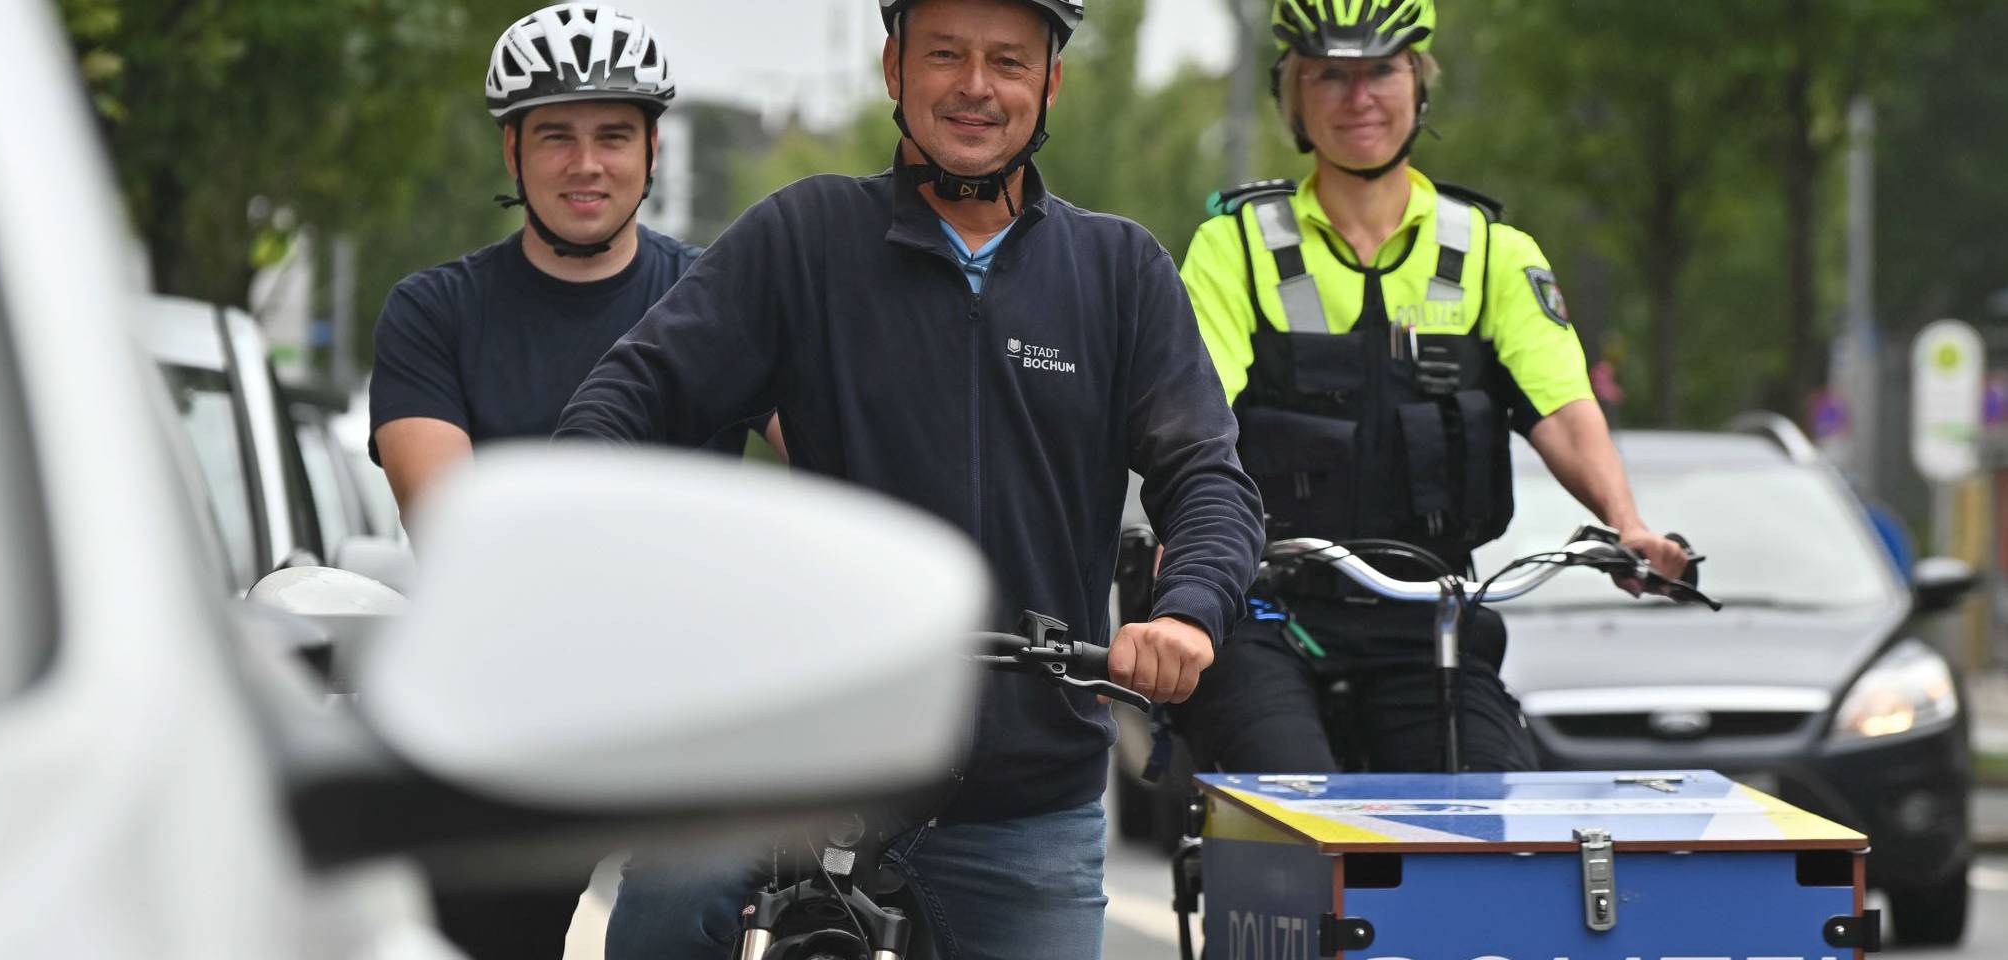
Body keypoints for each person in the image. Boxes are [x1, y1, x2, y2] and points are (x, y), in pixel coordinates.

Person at [554, 0, 1264, 955]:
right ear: (894, 67)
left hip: (1024, 799)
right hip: (808, 762)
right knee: (662, 911)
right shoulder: (803, 237)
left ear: (1049, 82)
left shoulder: (1119, 271)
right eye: (945, 54)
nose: (975, 86)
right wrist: (595, 552)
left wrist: (1186, 613)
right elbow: (626, 401)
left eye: (1007, 61)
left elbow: (1207, 476)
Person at [1168, 0, 1688, 776]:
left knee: (1493, 811)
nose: (1358, 98)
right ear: (1292, 96)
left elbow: (1561, 407)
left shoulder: (1491, 252)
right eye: (1329, 76)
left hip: (1426, 612)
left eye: (1381, 70)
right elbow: (1194, 416)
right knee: (1292, 806)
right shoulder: (1234, 246)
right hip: (1268, 607)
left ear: (1418, 83)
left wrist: (1626, 523)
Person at [368, 2, 769, 532]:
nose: (586, 165)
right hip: (506, 589)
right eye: (557, 137)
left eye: (612, 137)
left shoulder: (721, 298)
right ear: (513, 150)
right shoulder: (431, 314)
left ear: (651, 149)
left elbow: (838, 456)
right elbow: (449, 533)